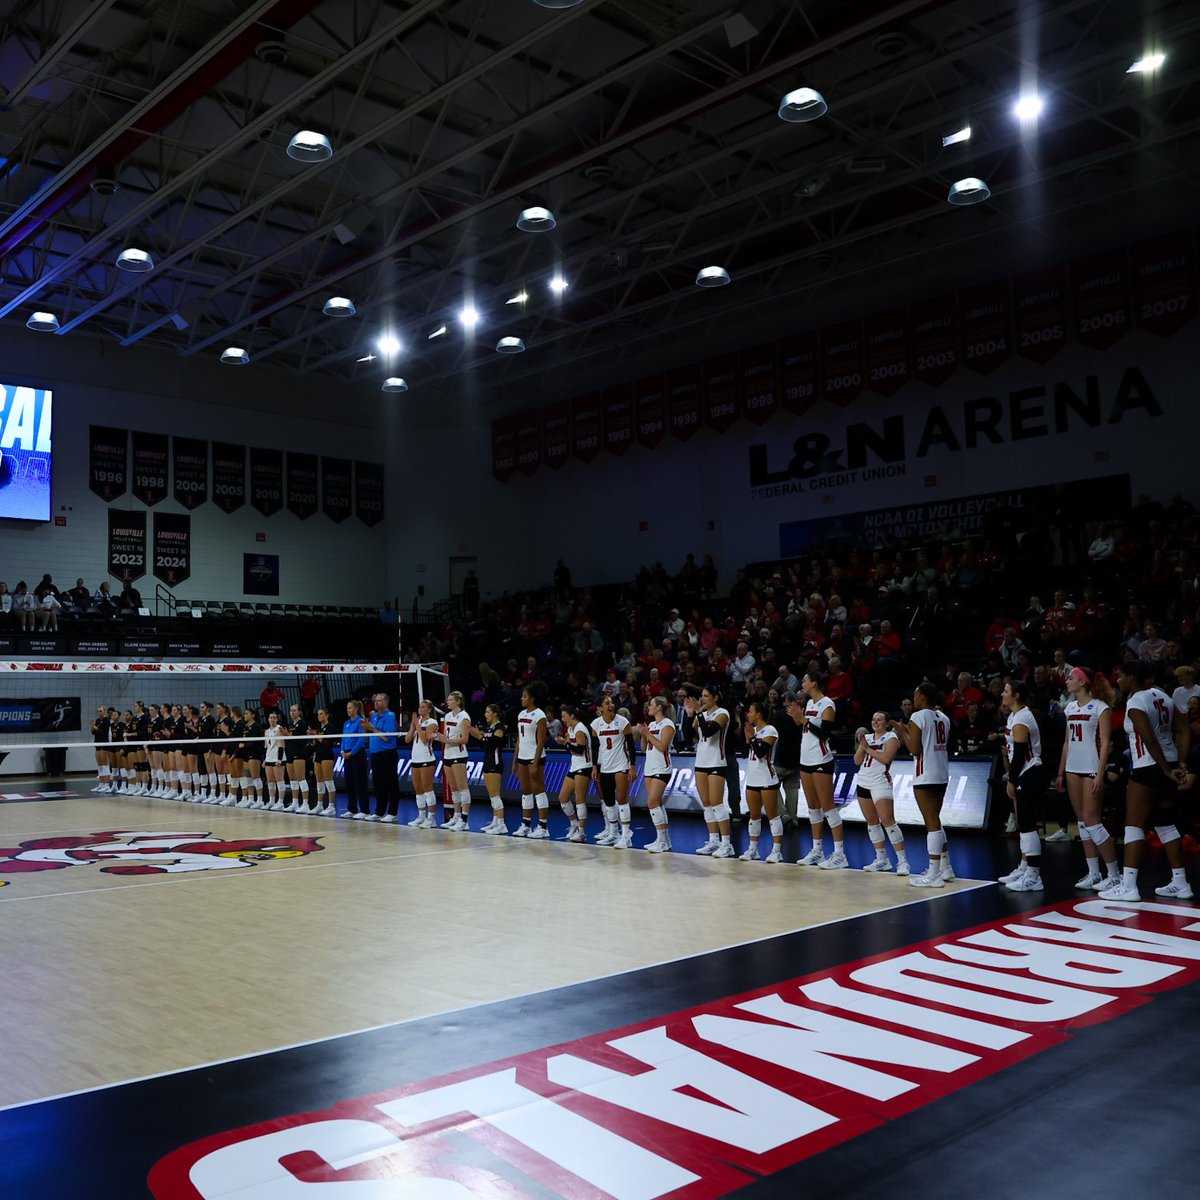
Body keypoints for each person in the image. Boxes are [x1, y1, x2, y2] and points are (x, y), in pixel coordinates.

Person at [1101, 662, 1192, 901]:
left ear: (1132, 678)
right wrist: (1180, 764)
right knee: (1165, 823)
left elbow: (1149, 740)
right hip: (1169, 762)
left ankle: (1129, 886)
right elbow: (1184, 731)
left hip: (1148, 766)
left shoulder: (1135, 702)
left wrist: (1164, 770)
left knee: (1133, 825)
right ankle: (1181, 882)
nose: (1118, 680)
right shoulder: (1163, 696)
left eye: (1120, 676)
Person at [1055, 667, 1119, 891]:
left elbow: (1105, 744)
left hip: (1092, 768)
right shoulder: (1070, 708)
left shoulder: (1101, 708)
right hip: (1073, 769)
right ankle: (1093, 873)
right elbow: (1066, 743)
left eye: (1071, 678)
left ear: (1082, 682)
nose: (1067, 681)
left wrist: (1101, 774)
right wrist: (1061, 772)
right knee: (1082, 822)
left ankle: (1114, 874)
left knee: (1093, 821)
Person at [896, 683, 955, 888]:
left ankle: (934, 873)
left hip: (925, 774)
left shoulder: (918, 717)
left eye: (915, 694)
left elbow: (914, 749)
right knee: (935, 821)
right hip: (941, 772)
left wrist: (902, 731)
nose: (914, 698)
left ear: (923, 696)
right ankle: (946, 868)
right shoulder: (944, 718)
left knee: (931, 825)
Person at [791, 672, 846, 869]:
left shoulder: (827, 704)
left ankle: (840, 854)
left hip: (822, 759)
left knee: (828, 806)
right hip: (806, 759)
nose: (802, 683)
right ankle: (817, 850)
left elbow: (824, 734)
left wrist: (804, 720)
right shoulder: (810, 704)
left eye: (804, 680)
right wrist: (798, 719)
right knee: (813, 806)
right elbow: (806, 731)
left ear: (813, 683)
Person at [997, 681, 1047, 892]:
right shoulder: (1014, 716)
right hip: (1025, 773)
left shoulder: (1022, 718)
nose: (1002, 694)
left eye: (1006, 691)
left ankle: (1034, 876)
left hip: (1030, 772)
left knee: (1027, 825)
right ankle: (1024, 867)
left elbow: (1019, 755)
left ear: (1016, 695)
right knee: (1022, 823)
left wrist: (1012, 780)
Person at [853, 712, 908, 874]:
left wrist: (867, 748)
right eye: (873, 719)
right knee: (872, 822)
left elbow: (885, 759)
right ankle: (882, 859)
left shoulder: (891, 737)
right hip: (863, 781)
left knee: (888, 820)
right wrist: (862, 746)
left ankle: (903, 862)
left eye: (879, 719)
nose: (875, 722)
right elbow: (857, 761)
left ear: (887, 723)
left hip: (880, 782)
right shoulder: (867, 738)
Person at [684, 685, 735, 858]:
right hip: (701, 762)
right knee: (706, 803)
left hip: (716, 762)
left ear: (715, 698)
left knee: (717, 803)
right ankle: (713, 841)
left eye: (706, 696)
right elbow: (688, 735)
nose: (702, 698)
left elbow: (708, 731)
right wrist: (689, 714)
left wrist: (698, 712)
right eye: (701, 696)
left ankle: (727, 844)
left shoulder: (723, 713)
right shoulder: (702, 714)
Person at [740, 700, 783, 863]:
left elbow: (760, 752)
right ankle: (753, 850)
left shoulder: (770, 730)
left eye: (750, 711)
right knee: (754, 816)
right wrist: (747, 737)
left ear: (758, 714)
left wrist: (751, 737)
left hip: (766, 777)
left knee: (773, 816)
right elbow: (746, 752)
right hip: (752, 778)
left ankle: (777, 851)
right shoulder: (754, 730)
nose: (748, 714)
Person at [590, 693, 634, 847]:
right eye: (607, 703)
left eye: (612, 702)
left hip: (621, 765)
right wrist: (595, 766)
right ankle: (614, 833)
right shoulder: (596, 724)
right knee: (608, 801)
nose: (611, 705)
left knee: (622, 799)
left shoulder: (622, 722)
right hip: (605, 766)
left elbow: (631, 746)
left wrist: (632, 766)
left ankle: (626, 835)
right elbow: (595, 747)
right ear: (600, 708)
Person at [636, 696, 676, 853]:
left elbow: (662, 746)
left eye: (651, 705)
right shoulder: (652, 724)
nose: (648, 707)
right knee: (657, 804)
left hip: (662, 768)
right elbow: (644, 749)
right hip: (650, 767)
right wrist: (643, 734)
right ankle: (665, 841)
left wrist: (648, 733)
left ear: (659, 707)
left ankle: (661, 840)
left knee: (651, 803)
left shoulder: (668, 724)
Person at [513, 682, 550, 837]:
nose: (522, 699)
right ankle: (526, 824)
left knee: (538, 790)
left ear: (532, 698)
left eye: (525, 696)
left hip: (535, 757)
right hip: (522, 757)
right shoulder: (521, 714)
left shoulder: (540, 715)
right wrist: (515, 760)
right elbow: (519, 740)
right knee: (526, 791)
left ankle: (543, 826)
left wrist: (535, 763)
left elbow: (541, 740)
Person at [556, 702, 593, 843]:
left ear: (572, 716)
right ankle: (574, 824)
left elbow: (579, 750)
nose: (563, 719)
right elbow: (572, 750)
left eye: (564, 716)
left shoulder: (579, 729)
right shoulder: (570, 729)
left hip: (585, 766)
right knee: (563, 798)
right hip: (575, 766)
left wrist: (565, 743)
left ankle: (582, 832)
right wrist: (564, 743)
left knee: (580, 799)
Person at [438, 691, 474, 830]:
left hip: (459, 755)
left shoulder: (464, 717)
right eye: (448, 699)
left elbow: (464, 739)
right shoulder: (447, 716)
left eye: (451, 700)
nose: (448, 702)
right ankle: (456, 816)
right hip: (448, 754)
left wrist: (446, 740)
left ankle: (465, 820)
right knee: (453, 788)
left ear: (458, 702)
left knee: (462, 787)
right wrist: (439, 737)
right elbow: (448, 735)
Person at [361, 692, 399, 822]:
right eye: (375, 701)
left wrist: (372, 728)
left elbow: (387, 738)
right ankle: (379, 811)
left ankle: (392, 812)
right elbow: (372, 733)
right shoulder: (375, 716)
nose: (376, 703)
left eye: (379, 700)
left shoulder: (389, 716)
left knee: (390, 783)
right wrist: (367, 728)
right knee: (378, 784)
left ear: (386, 702)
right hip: (375, 754)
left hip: (387, 754)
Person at [406, 699, 440, 828]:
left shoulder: (432, 723)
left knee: (427, 788)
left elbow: (425, 739)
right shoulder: (417, 722)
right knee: (418, 789)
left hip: (427, 759)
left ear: (429, 710)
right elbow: (407, 739)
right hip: (415, 759)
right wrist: (413, 725)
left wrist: (417, 725)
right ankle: (421, 816)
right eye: (419, 707)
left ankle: (431, 818)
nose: (420, 709)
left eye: (423, 707)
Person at [476, 703, 508, 834]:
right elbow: (484, 744)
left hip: (495, 763)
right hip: (488, 761)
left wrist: (478, 736)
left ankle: (501, 824)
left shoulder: (499, 727)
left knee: (495, 795)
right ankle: (495, 821)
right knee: (491, 795)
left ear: (495, 713)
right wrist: (480, 736)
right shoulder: (490, 728)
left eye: (488, 712)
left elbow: (492, 744)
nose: (485, 714)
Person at [338, 700, 369, 819]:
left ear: (356, 709)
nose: (348, 710)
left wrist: (352, 753)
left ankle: (365, 810)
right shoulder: (346, 723)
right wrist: (342, 750)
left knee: (360, 782)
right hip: (346, 755)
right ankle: (352, 809)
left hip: (357, 754)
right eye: (347, 708)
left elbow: (361, 740)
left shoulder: (360, 722)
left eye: (350, 708)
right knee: (349, 782)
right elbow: (343, 738)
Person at [285, 703, 314, 814]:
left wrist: (288, 736)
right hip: (290, 753)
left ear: (299, 712)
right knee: (292, 779)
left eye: (294, 710)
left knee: (301, 778)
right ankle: (295, 803)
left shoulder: (303, 724)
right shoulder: (289, 724)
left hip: (299, 753)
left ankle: (305, 804)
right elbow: (288, 740)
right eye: (291, 710)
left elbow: (301, 740)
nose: (292, 712)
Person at [311, 706, 338, 815]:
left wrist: (316, 735)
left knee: (329, 781)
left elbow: (327, 743)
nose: (319, 716)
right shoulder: (319, 728)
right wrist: (312, 735)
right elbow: (315, 744)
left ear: (327, 715)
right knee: (319, 782)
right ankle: (319, 805)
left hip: (327, 755)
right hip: (318, 755)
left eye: (321, 714)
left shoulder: (330, 727)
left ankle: (331, 806)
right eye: (318, 714)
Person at [263, 711, 287, 810]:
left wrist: (279, 759)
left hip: (278, 758)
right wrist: (265, 759)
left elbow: (281, 745)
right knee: (270, 781)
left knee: (279, 780)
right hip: (269, 758)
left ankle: (280, 802)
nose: (272, 720)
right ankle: (271, 801)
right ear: (268, 719)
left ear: (277, 719)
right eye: (271, 718)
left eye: (274, 718)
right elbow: (267, 747)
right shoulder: (267, 731)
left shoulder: (279, 729)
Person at [90, 706, 113, 793]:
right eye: (98, 711)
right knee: (99, 765)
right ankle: (101, 784)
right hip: (97, 743)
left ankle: (106, 784)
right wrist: (92, 727)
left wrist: (94, 727)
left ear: (104, 712)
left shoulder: (107, 720)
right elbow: (94, 732)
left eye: (100, 711)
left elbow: (103, 731)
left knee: (105, 765)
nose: (99, 712)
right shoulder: (98, 720)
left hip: (104, 743)